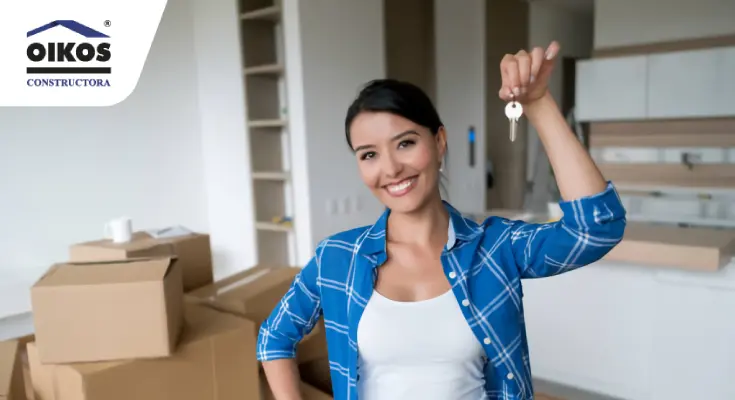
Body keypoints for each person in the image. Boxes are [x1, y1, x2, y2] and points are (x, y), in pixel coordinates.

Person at [257, 41, 626, 400]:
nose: (390, 168)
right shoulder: (335, 259)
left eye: (405, 143)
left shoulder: (495, 247)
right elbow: (274, 337)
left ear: (440, 142)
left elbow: (595, 229)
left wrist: (538, 104)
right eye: (369, 154)